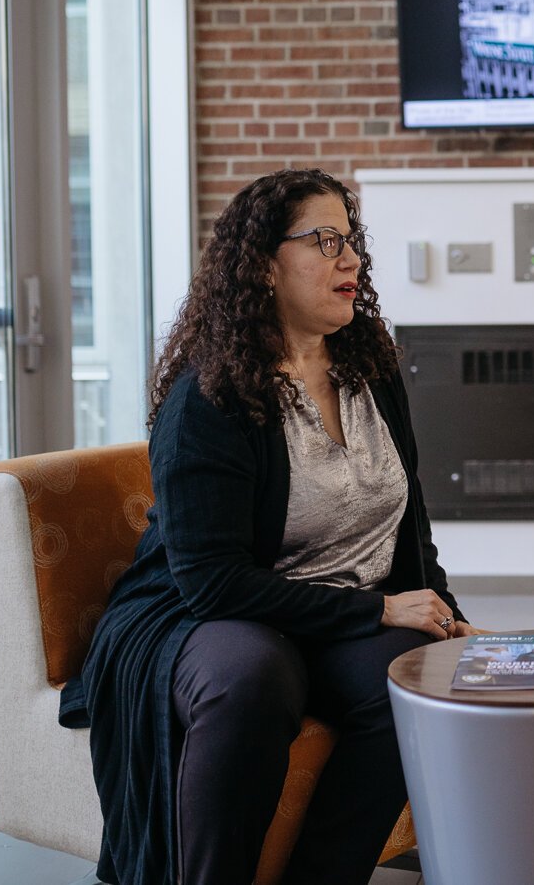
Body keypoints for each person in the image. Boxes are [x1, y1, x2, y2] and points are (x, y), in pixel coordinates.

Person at [59, 168, 476, 885]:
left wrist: (443, 611)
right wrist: (377, 607)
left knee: (414, 677)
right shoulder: (211, 394)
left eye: (351, 240)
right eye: (323, 240)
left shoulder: (370, 366)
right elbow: (213, 584)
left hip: (335, 607)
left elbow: (411, 522)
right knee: (251, 678)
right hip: (206, 612)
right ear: (262, 265)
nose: (350, 259)